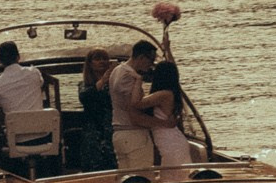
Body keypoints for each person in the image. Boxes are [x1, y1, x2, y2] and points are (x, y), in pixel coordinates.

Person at [107, 39, 162, 170]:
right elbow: (134, 106)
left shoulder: (117, 70)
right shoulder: (128, 76)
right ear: (142, 57)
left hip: (120, 134)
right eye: (151, 60)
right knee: (142, 178)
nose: (151, 64)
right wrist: (163, 122)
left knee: (126, 179)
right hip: (133, 134)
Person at [145, 60, 196, 167]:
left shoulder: (163, 95)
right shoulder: (172, 93)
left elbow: (136, 103)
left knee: (172, 177)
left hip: (170, 143)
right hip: (171, 140)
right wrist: (167, 50)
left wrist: (137, 78)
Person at [0, 39, 46, 120]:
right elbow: (41, 86)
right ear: (18, 57)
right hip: (42, 129)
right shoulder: (34, 73)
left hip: (14, 131)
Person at [74, 48, 115, 170]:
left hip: (111, 129)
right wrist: (102, 81)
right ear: (90, 64)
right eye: (97, 59)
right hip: (92, 133)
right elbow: (85, 97)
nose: (102, 61)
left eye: (104, 59)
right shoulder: (84, 85)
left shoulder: (114, 83)